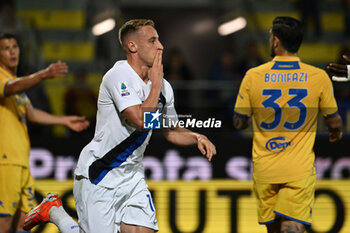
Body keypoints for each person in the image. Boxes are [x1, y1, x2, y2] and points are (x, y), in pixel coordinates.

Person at [23, 19, 216, 233]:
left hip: (133, 177)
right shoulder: (118, 77)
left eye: (159, 40)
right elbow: (141, 120)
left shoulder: (163, 87)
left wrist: (196, 136)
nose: (161, 46)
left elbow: (171, 131)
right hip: (100, 174)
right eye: (153, 41)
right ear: (132, 46)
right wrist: (157, 85)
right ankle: (54, 211)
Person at [233, 17, 342, 233]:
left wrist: (251, 116)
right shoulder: (318, 77)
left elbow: (239, 122)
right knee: (292, 227)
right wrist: (335, 133)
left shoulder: (253, 76)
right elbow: (334, 120)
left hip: (265, 168)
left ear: (276, 42)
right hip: (298, 169)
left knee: (273, 230)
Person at [0, 33, 90, 233]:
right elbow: (11, 87)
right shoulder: (5, 79)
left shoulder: (16, 84)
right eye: (6, 48)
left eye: (15, 46)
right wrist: (43, 75)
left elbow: (31, 113)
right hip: (5, 161)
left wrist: (64, 120)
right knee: (4, 222)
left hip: (21, 162)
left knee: (24, 222)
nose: (12, 51)